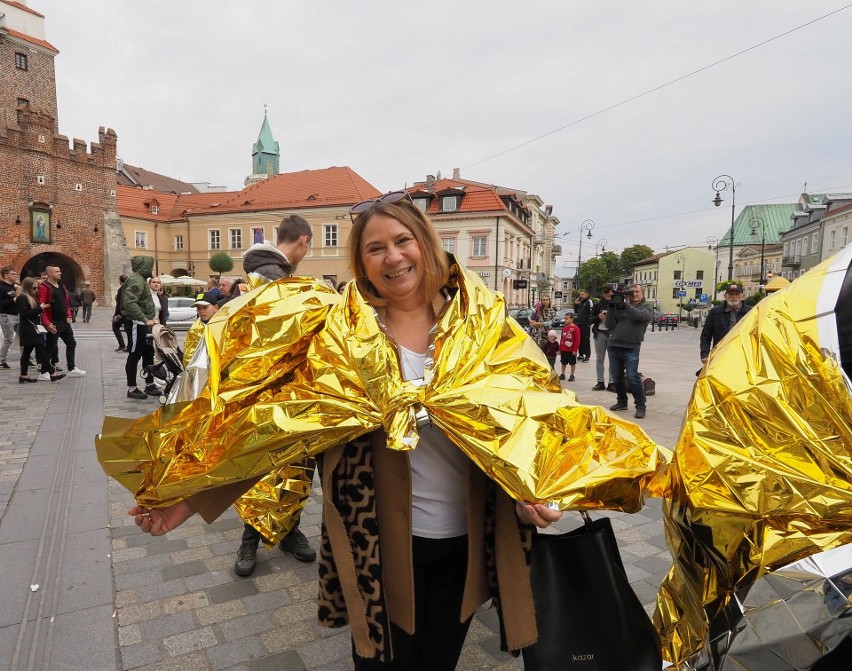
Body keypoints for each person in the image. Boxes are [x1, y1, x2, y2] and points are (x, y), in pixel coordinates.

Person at [128, 192, 562, 669]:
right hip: (376, 547)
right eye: (376, 248)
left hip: (466, 542)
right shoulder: (337, 333)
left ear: (426, 244)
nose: (393, 257)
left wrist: (539, 493)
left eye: (403, 240)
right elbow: (271, 432)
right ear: (361, 261)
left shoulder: (483, 323)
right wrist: (186, 501)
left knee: (439, 661)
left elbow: (540, 419)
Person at [234, 213, 316, 573]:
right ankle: (250, 541)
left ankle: (288, 531)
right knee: (263, 468)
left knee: (295, 466)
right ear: (302, 241)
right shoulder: (270, 278)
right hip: (268, 392)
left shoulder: (273, 274)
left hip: (288, 391)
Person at [605, 283, 652, 419]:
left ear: (642, 293)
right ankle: (622, 401)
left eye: (637, 291)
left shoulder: (646, 307)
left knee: (632, 377)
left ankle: (640, 406)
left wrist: (626, 306)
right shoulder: (620, 305)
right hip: (614, 345)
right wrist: (611, 307)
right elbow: (609, 324)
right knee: (617, 377)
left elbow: (640, 316)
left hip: (631, 347)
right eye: (632, 292)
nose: (634, 294)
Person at [37, 265, 86, 377]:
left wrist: (69, 315)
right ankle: (44, 372)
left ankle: (71, 367)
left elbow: (66, 302)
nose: (60, 273)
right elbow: (42, 306)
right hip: (53, 322)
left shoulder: (61, 286)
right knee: (50, 347)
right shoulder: (45, 287)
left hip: (64, 321)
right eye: (57, 271)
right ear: (49, 274)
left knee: (71, 343)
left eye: (60, 271)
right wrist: (47, 323)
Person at [15, 277, 64, 383]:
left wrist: (42, 307)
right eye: (34, 288)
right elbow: (24, 314)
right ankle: (52, 373)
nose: (36, 290)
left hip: (33, 328)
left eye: (37, 287)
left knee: (27, 352)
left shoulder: (32, 297)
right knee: (41, 350)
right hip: (29, 329)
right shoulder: (22, 298)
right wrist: (40, 308)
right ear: (27, 287)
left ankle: (23, 376)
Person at [121, 256, 157, 399]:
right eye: (149, 266)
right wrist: (144, 319)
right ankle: (132, 388)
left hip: (143, 325)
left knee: (148, 355)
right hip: (137, 324)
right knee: (134, 355)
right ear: (144, 266)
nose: (151, 269)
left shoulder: (140, 279)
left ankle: (149, 384)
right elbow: (129, 303)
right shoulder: (137, 280)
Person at [699, 284, 753, 365]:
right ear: (725, 296)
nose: (734, 297)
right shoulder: (716, 312)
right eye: (731, 294)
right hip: (720, 354)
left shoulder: (751, 312)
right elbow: (706, 336)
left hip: (744, 355)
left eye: (737, 294)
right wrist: (704, 354)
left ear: (743, 296)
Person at [591, 286, 616, 392]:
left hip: (612, 334)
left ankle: (612, 383)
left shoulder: (617, 303)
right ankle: (600, 382)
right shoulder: (598, 304)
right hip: (600, 333)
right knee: (599, 359)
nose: (609, 297)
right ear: (604, 294)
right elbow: (590, 319)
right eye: (608, 295)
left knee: (613, 360)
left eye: (611, 295)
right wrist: (598, 317)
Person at [0, 266, 21, 369]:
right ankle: (1, 360)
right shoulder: (1, 287)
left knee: (23, 336)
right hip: (6, 315)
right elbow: (1, 303)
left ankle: (27, 357)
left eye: (16, 274)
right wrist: (14, 299)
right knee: (8, 339)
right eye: (13, 274)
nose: (16, 276)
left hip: (17, 314)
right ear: (6, 275)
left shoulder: (14, 286)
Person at [558, 312, 580, 381]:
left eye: (567, 319)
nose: (565, 320)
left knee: (572, 363)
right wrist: (560, 349)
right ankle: (562, 374)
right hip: (564, 349)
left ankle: (572, 375)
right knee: (563, 362)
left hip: (571, 350)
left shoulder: (575, 328)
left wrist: (575, 350)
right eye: (564, 319)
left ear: (572, 319)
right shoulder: (564, 328)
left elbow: (577, 340)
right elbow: (562, 338)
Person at [573, 289, 594, 362]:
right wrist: (576, 304)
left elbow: (591, 313)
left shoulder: (589, 302)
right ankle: (581, 354)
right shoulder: (581, 302)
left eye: (582, 294)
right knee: (580, 339)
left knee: (586, 339)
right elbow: (576, 311)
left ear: (587, 294)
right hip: (579, 323)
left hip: (585, 324)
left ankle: (587, 355)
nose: (580, 296)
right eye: (580, 294)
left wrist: (589, 322)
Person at [112, 274, 128, 352]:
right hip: (129, 313)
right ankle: (130, 346)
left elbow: (119, 304)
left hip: (122, 313)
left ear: (120, 281)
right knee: (129, 329)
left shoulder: (121, 289)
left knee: (115, 327)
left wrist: (116, 315)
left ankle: (122, 345)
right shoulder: (129, 288)